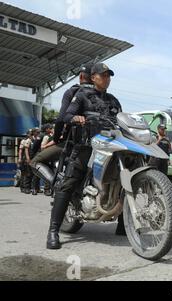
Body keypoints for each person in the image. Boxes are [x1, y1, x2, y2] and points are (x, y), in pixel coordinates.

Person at [46, 62, 123, 250]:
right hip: (85, 147)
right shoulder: (81, 96)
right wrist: (76, 118)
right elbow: (66, 115)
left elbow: (123, 120)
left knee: (121, 181)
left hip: (110, 147)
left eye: (109, 76)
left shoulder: (113, 100)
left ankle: (123, 225)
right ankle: (53, 231)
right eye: (103, 75)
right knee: (69, 183)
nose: (107, 79)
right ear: (94, 77)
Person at [31, 63, 94, 196]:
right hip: (94, 143)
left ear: (81, 76)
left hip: (71, 142)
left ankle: (56, 184)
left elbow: (60, 119)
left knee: (35, 161)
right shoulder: (100, 95)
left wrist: (57, 138)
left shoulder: (73, 91)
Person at [18, 130, 33, 194]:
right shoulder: (24, 140)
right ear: (27, 134)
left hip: (30, 159)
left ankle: (27, 187)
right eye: (30, 134)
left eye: (31, 134)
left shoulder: (32, 140)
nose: (31, 135)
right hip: (24, 159)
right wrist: (19, 158)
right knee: (24, 174)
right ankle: (23, 187)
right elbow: (20, 150)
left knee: (28, 174)